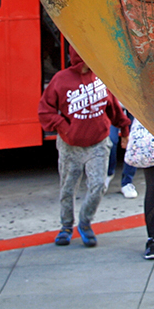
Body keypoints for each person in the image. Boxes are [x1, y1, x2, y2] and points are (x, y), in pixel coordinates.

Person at [37, 46, 131, 247]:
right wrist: (64, 127)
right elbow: (45, 111)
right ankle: (66, 226)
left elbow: (113, 107)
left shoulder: (100, 77)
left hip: (98, 143)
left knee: (98, 186)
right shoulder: (60, 80)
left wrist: (124, 129)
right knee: (67, 188)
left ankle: (85, 222)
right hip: (70, 146)